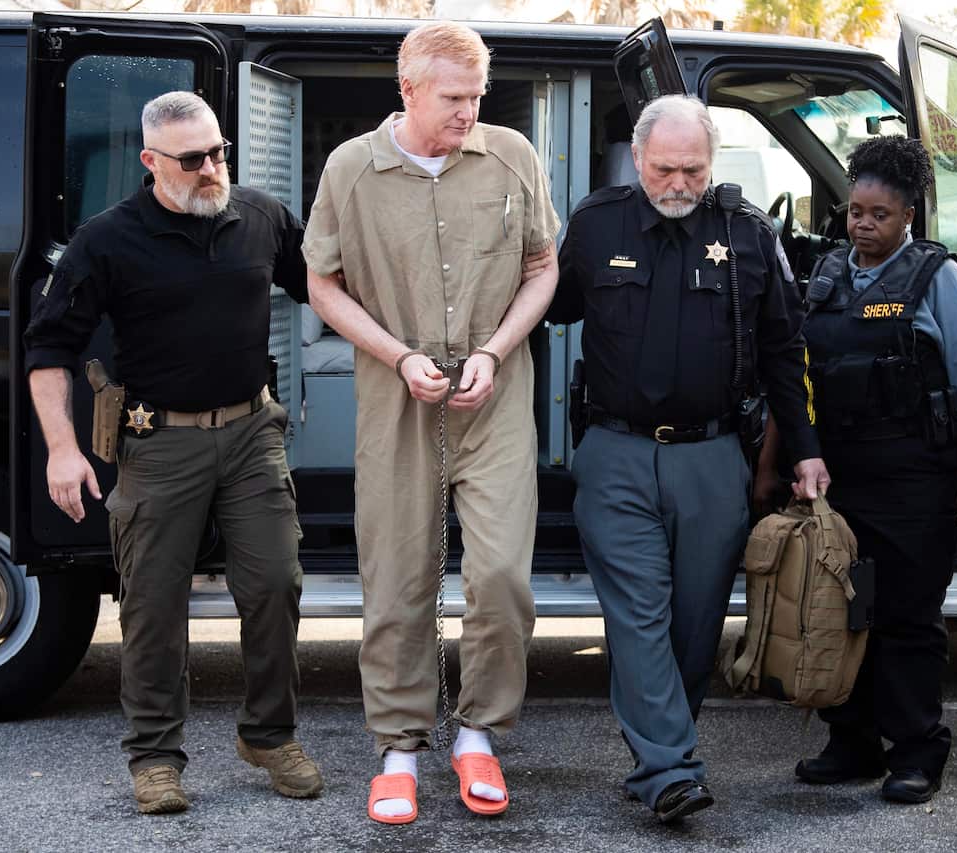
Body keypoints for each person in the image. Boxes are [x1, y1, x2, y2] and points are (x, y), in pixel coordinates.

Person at [23, 91, 322, 814]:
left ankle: (269, 733)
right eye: (194, 160)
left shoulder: (260, 217)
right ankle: (155, 755)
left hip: (253, 432)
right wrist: (62, 451)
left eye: (219, 151)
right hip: (158, 443)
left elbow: (323, 287)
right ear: (151, 162)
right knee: (153, 603)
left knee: (277, 581)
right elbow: (48, 348)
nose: (213, 167)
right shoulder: (107, 239)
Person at [301, 21, 560, 824]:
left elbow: (542, 267)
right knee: (397, 578)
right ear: (408, 89)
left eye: (477, 95)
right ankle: (400, 746)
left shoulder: (511, 153)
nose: (468, 111)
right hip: (397, 401)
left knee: (503, 579)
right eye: (453, 97)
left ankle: (477, 734)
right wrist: (397, 354)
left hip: (496, 398)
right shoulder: (351, 168)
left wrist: (495, 349)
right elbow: (322, 284)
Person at [548, 94, 828, 823]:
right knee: (639, 613)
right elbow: (543, 304)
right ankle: (670, 767)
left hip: (712, 456)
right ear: (638, 159)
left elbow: (783, 350)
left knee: (696, 624)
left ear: (713, 163)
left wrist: (805, 451)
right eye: (665, 168)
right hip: (616, 452)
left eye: (693, 169)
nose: (679, 183)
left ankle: (660, 747)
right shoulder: (595, 223)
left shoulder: (746, 233)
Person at [758, 135, 957, 804]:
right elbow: (796, 380)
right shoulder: (827, 275)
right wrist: (768, 465)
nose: (863, 225)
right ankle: (854, 740)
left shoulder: (937, 277)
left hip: (914, 479)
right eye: (855, 212)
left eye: (879, 215)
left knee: (905, 615)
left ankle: (917, 749)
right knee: (841, 610)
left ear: (908, 218)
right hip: (840, 478)